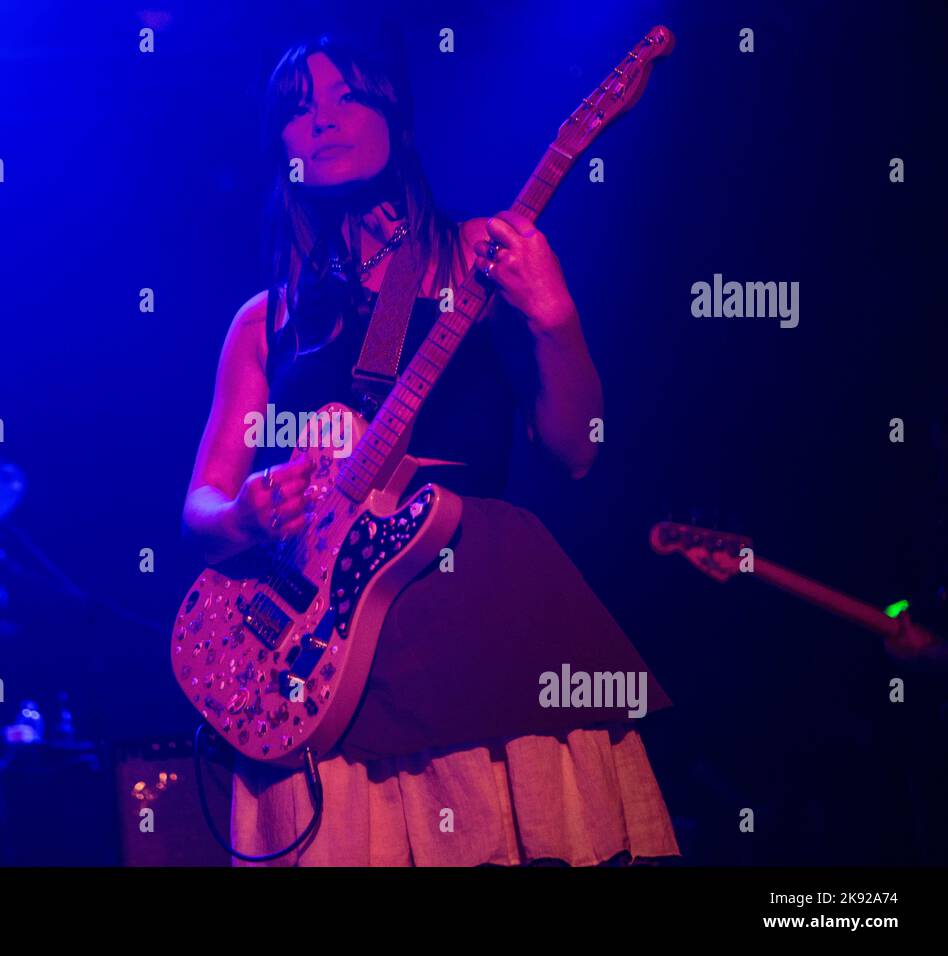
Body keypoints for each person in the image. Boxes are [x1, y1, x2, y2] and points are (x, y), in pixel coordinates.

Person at [182, 31, 681, 866]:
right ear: (280, 147)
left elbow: (577, 449)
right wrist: (244, 511)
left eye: (348, 96)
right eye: (299, 111)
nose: (323, 121)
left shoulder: (485, 256)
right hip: (323, 650)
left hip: (478, 609)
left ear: (396, 115)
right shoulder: (260, 321)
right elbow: (200, 506)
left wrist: (555, 317)